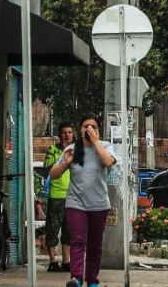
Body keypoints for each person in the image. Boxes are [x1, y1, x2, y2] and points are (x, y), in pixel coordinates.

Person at [49, 114, 117, 287]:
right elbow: (53, 174)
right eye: (85, 126)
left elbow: (108, 162)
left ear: (98, 130)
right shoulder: (71, 149)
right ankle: (76, 278)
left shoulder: (105, 146)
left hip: (99, 204)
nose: (89, 129)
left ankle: (92, 280)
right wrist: (66, 163)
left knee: (95, 244)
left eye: (93, 126)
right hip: (76, 203)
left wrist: (95, 142)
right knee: (78, 240)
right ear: (79, 130)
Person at [43, 122, 74, 272]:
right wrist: (62, 156)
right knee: (52, 228)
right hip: (56, 196)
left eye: (69, 132)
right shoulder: (53, 150)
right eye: (64, 132)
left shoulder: (76, 151)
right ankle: (53, 261)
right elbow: (48, 167)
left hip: (72, 196)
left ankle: (66, 261)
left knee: (68, 231)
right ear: (59, 135)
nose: (67, 135)